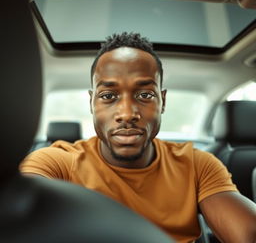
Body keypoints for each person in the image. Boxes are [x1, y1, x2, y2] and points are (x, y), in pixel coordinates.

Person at [20, 32, 256, 243]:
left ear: (162, 101)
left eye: (145, 94)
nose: (126, 114)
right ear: (91, 103)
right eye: (108, 95)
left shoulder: (198, 165)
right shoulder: (55, 163)